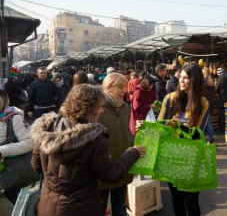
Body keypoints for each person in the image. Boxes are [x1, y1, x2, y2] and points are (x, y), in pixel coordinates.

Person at [30, 84, 145, 216]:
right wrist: (131, 153)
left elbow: (36, 166)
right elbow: (111, 175)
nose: (102, 111)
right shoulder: (94, 138)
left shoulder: (46, 128)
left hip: (48, 206)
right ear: (88, 108)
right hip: (82, 207)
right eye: (100, 106)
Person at [157, 63, 210, 216]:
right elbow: (160, 125)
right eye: (181, 77)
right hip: (171, 156)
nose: (182, 81)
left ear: (195, 81)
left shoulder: (203, 103)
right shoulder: (170, 98)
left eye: (186, 78)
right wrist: (147, 125)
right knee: (176, 199)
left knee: (192, 201)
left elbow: (197, 133)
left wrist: (178, 125)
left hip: (191, 157)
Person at [97, 72, 135, 216]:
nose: (124, 91)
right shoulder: (98, 108)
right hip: (103, 166)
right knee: (99, 208)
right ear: (108, 88)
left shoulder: (125, 107)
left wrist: (132, 140)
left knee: (120, 207)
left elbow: (126, 130)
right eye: (120, 87)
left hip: (122, 162)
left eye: (124, 87)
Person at [0, 90, 33, 204]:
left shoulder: (14, 119)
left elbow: (30, 142)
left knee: (16, 200)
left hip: (10, 170)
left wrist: (3, 150)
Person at [215, 64, 227, 133]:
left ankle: (222, 129)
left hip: (222, 99)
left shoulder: (221, 78)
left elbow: (216, 89)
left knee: (222, 114)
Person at [202, 67, 215, 143]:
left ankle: (203, 138)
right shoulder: (211, 81)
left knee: (203, 122)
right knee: (208, 122)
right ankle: (211, 137)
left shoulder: (203, 82)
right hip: (210, 104)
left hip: (204, 104)